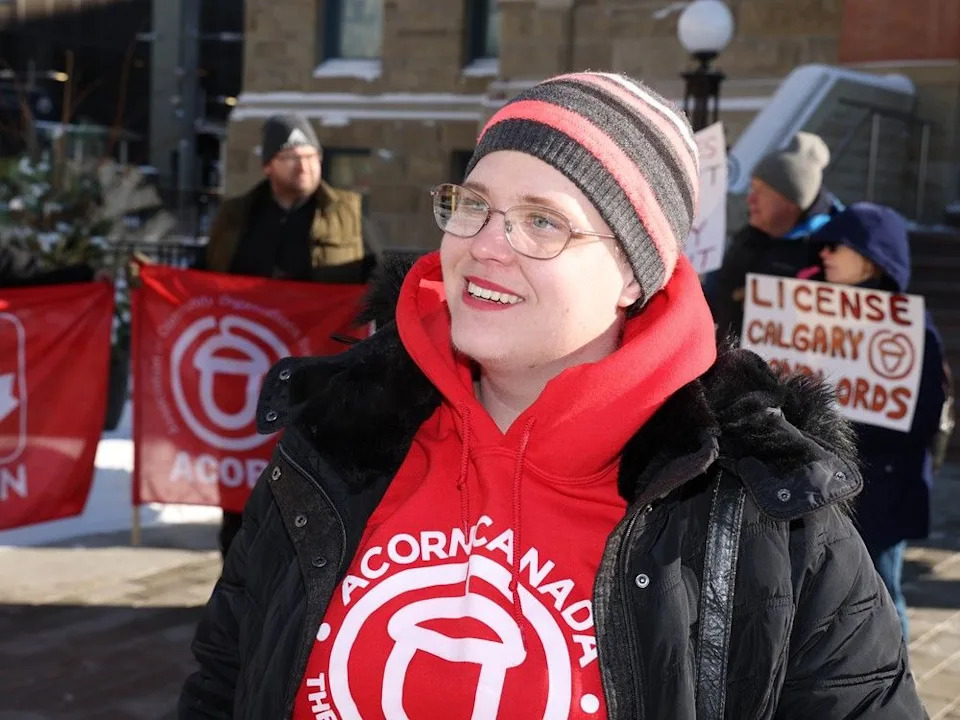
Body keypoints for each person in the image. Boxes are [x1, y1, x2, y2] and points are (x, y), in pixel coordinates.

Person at [179, 73, 924, 719]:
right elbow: (225, 681)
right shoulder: (336, 440)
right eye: (472, 203)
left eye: (541, 221)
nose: (485, 243)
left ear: (636, 273)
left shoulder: (765, 510)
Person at [204, 113, 372, 558]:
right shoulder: (236, 215)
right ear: (266, 166)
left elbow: (375, 278)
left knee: (310, 478)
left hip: (316, 380)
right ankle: (237, 583)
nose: (303, 166)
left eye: (311, 156)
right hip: (246, 378)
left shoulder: (347, 214)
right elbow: (205, 279)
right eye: (290, 157)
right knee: (243, 487)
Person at [813, 202, 947, 641]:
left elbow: (923, 416)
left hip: (883, 491)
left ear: (870, 259)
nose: (825, 255)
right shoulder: (812, 310)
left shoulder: (911, 329)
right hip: (828, 484)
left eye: (837, 246)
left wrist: (852, 430)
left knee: (883, 595)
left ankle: (896, 688)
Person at [708, 131, 843, 339]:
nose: (750, 199)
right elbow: (716, 295)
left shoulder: (833, 252)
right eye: (751, 189)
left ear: (790, 201)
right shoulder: (747, 239)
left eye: (760, 191)